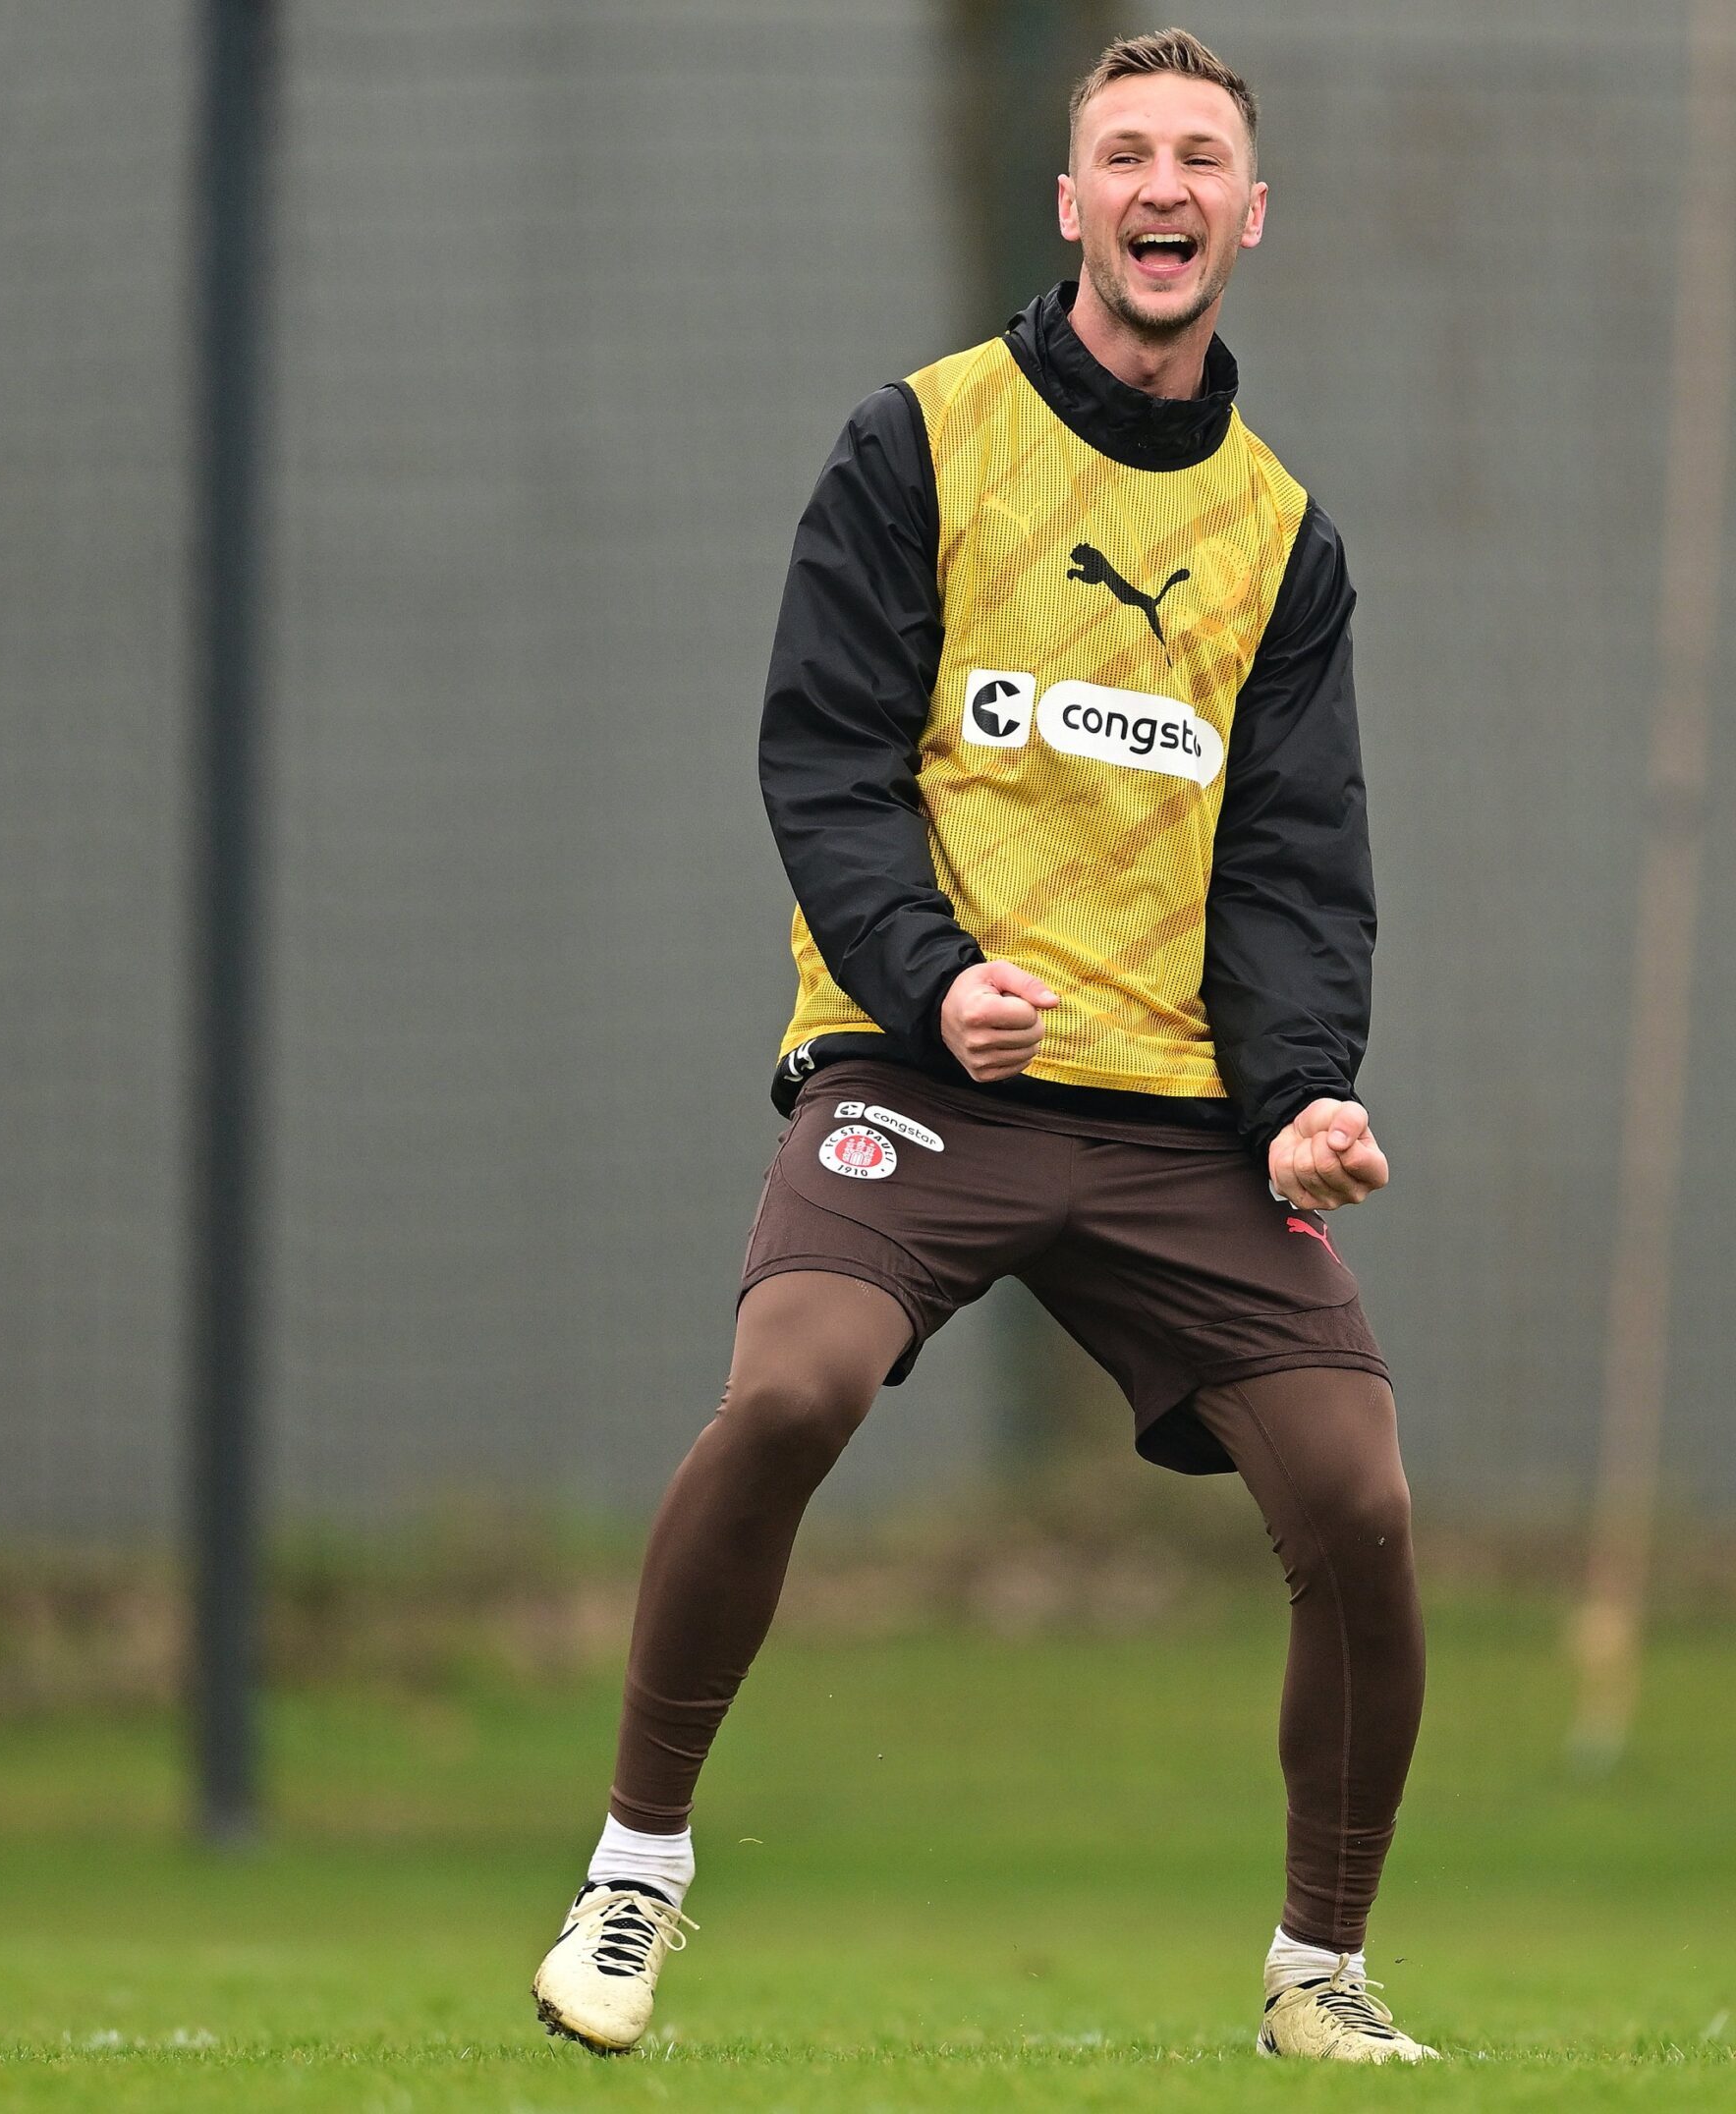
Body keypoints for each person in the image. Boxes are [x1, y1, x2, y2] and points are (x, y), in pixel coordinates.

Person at [532, 28, 1435, 2064]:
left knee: (1358, 1499)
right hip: (923, 1073)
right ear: (1069, 204)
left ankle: (1320, 1969)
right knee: (793, 1386)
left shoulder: (1280, 536)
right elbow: (824, 760)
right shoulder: (918, 443)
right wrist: (932, 976)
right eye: (1122, 151)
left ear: (1246, 215)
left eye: (1198, 156)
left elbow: (1292, 861)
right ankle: (632, 1870)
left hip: (1177, 1121)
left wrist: (1300, 1095)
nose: (1160, 186)